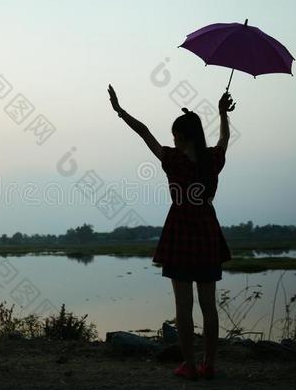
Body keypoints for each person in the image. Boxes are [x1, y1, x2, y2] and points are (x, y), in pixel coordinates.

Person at [107, 84, 235, 381]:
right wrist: (222, 113)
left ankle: (189, 366)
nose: (173, 141)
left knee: (183, 307)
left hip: (179, 234)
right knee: (209, 306)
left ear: (183, 137)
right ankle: (209, 364)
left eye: (176, 136)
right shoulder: (213, 159)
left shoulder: (173, 160)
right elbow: (224, 139)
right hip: (207, 234)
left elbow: (144, 133)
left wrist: (119, 110)